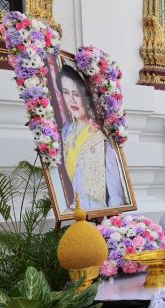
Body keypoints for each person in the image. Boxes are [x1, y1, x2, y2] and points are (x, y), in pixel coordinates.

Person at [57, 64, 126, 210]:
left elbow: (116, 197)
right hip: (76, 214)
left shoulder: (100, 137)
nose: (72, 100)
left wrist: (110, 220)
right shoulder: (66, 132)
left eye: (76, 93)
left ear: (86, 96)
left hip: (98, 215)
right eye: (66, 93)